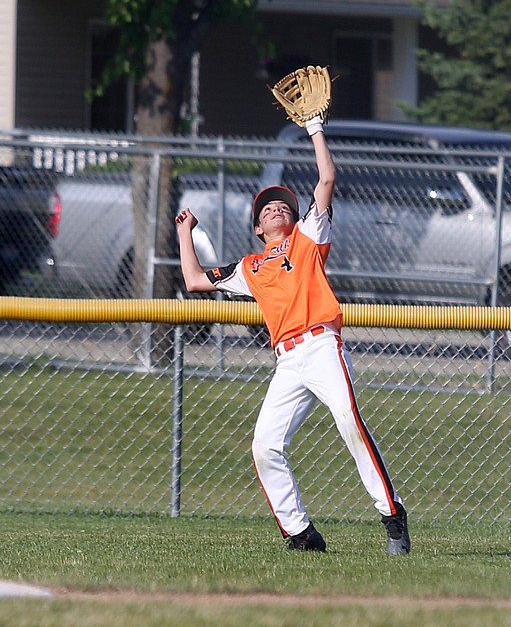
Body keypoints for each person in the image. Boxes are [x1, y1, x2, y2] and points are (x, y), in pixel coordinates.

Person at [175, 112, 409, 555]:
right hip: (288, 360)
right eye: (267, 208)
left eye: (283, 203)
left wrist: (315, 128)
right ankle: (300, 533)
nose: (277, 207)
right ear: (258, 228)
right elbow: (194, 281)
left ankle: (392, 514)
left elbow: (326, 179)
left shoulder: (308, 235)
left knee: (349, 423)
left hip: (322, 344)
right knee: (265, 446)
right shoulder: (249, 267)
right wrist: (186, 232)